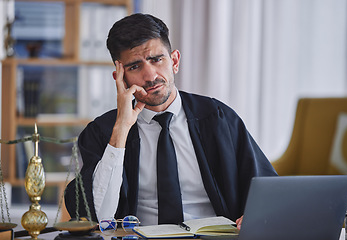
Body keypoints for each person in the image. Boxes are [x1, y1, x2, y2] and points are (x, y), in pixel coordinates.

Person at [64, 13, 277, 230]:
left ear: (174, 61)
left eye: (157, 59)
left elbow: (269, 192)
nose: (150, 76)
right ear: (120, 77)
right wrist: (121, 129)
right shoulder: (102, 132)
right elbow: (95, 215)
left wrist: (252, 216)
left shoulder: (218, 118)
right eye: (134, 67)